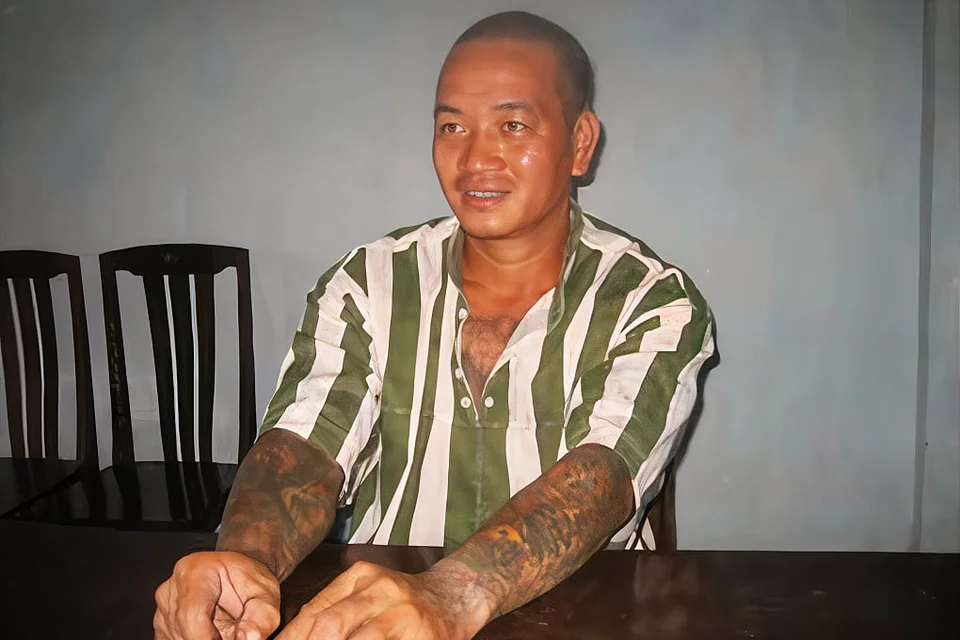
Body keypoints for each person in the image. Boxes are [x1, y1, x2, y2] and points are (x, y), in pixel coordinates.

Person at [153, 10, 715, 640]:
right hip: (373, 620)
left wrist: (450, 595)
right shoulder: (368, 281)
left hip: (582, 615)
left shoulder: (651, 301)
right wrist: (243, 561)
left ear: (579, 143)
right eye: (452, 126)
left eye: (512, 124)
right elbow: (305, 444)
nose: (475, 158)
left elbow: (603, 474)